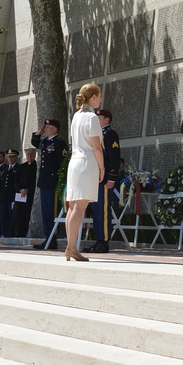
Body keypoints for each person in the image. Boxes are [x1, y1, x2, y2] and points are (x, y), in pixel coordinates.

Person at [65, 83, 105, 261]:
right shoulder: (92, 117)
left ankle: (70, 247)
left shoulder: (76, 115)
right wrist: (102, 167)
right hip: (86, 162)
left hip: (74, 162)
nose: (101, 99)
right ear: (94, 97)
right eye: (99, 96)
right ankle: (72, 248)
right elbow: (97, 146)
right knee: (79, 207)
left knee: (73, 207)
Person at [83, 108, 121, 254]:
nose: (96, 121)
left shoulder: (110, 134)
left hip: (105, 179)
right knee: (97, 210)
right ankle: (98, 239)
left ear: (107, 120)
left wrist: (111, 177)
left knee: (103, 211)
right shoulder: (97, 135)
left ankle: (103, 242)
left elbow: (114, 157)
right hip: (96, 178)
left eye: (99, 119)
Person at [31, 118, 68, 250]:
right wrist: (38, 132)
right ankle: (48, 237)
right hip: (44, 182)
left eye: (48, 127)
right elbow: (34, 142)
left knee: (52, 212)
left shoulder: (59, 143)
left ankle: (53, 239)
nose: (45, 129)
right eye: (45, 127)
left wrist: (61, 182)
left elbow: (63, 164)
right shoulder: (45, 142)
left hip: (54, 183)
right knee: (45, 212)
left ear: (55, 129)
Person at [0, 149, 21, 239]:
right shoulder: (4, 169)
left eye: (12, 157)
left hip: (13, 197)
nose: (10, 159)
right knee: (3, 216)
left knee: (11, 216)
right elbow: (1, 184)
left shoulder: (18, 168)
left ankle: (10, 234)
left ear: (16, 158)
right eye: (9, 157)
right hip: (4, 197)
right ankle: (3, 233)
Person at [15, 148, 38, 237]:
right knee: (18, 214)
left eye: (31, 154)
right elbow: (16, 180)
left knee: (27, 214)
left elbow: (35, 181)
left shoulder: (36, 166)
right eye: (28, 154)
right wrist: (20, 189)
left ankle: (25, 232)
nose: (29, 156)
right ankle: (18, 233)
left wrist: (27, 190)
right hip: (20, 194)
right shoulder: (21, 166)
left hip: (30, 194)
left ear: (34, 155)